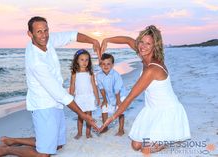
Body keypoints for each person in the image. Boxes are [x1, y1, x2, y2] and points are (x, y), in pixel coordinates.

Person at [0, 16, 100, 157]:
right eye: (39, 32)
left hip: (56, 102)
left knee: (58, 145)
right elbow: (59, 93)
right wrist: (82, 114)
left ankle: (10, 140)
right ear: (30, 34)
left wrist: (93, 41)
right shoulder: (36, 61)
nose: (44, 35)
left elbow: (71, 35)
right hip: (43, 104)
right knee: (45, 154)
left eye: (46, 30)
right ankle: (6, 150)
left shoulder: (47, 39)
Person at [99, 25, 191, 154]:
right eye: (141, 42)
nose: (142, 46)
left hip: (167, 112)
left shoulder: (152, 69)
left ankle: (167, 139)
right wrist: (107, 40)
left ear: (155, 46)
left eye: (148, 43)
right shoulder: (144, 54)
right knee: (135, 145)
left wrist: (111, 118)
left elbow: (131, 97)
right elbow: (127, 40)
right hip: (153, 109)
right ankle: (162, 137)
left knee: (145, 149)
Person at [69, 49, 100, 139]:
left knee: (89, 115)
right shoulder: (74, 73)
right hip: (79, 97)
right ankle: (79, 133)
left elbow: (94, 85)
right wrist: (70, 96)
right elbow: (72, 85)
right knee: (80, 116)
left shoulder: (90, 72)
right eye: (82, 59)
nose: (84, 62)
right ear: (77, 60)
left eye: (86, 60)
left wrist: (97, 97)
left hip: (89, 96)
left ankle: (88, 133)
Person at [96, 53, 127, 136]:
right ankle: (105, 127)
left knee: (119, 109)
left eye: (108, 64)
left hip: (120, 95)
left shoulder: (116, 75)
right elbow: (101, 88)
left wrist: (118, 101)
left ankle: (121, 129)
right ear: (100, 65)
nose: (106, 66)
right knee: (104, 107)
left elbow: (117, 89)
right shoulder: (99, 76)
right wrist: (104, 100)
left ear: (112, 65)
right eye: (103, 64)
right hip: (109, 96)